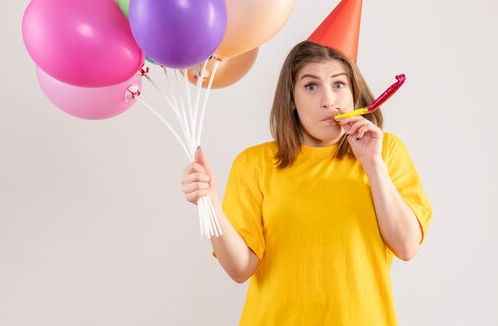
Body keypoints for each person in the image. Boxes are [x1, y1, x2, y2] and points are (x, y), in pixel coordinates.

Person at [180, 40, 432, 325]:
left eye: (339, 84)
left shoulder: (387, 152)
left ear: (354, 93)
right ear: (291, 99)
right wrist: (210, 202)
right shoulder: (254, 164)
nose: (329, 100)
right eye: (311, 86)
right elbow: (240, 269)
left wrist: (373, 165)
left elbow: (407, 246)